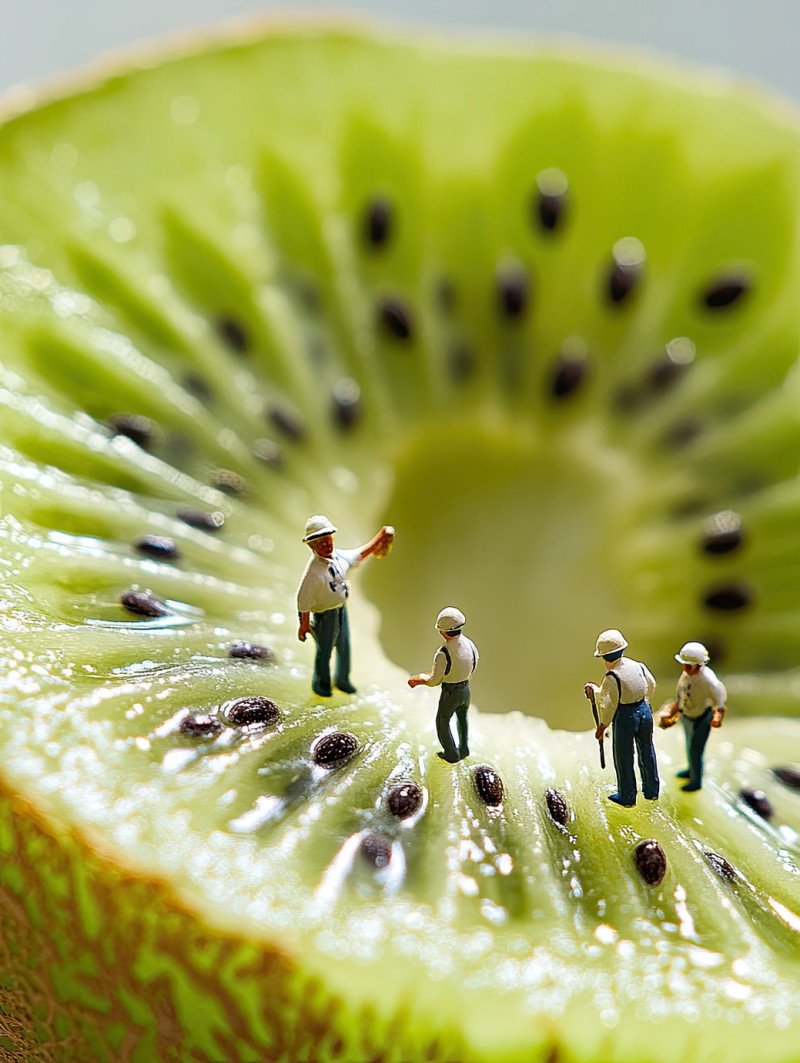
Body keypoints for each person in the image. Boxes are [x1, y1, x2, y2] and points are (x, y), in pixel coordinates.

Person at [296, 515, 394, 697]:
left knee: (344, 646)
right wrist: (303, 625)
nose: (327, 544)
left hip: (341, 610)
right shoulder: (313, 573)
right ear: (312, 546)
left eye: (328, 539)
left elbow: (360, 554)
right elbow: (303, 601)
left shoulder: (339, 556)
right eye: (321, 542)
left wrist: (379, 538)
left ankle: (342, 680)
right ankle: (321, 685)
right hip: (324, 616)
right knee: (324, 652)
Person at [584, 629, 660, 807]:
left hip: (626, 716)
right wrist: (646, 702)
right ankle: (652, 790)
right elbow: (651, 683)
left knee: (624, 756)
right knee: (647, 751)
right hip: (644, 711)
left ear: (605, 657)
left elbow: (609, 701)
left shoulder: (612, 676)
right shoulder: (638, 665)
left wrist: (603, 725)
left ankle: (627, 795)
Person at [408, 607, 479, 763]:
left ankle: (452, 755)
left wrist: (419, 679)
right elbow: (474, 664)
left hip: (450, 692)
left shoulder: (443, 653)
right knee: (462, 718)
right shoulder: (470, 644)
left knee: (442, 721)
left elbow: (434, 680)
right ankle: (464, 749)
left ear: (442, 632)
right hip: (466, 690)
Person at [658, 641, 727, 792]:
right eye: (685, 664)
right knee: (689, 745)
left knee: (696, 749)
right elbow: (681, 697)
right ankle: (691, 770)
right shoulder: (685, 676)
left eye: (691, 665)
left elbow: (720, 704)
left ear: (700, 665)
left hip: (702, 717)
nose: (687, 668)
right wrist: (672, 712)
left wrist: (717, 718)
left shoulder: (709, 681)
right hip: (687, 715)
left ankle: (696, 781)